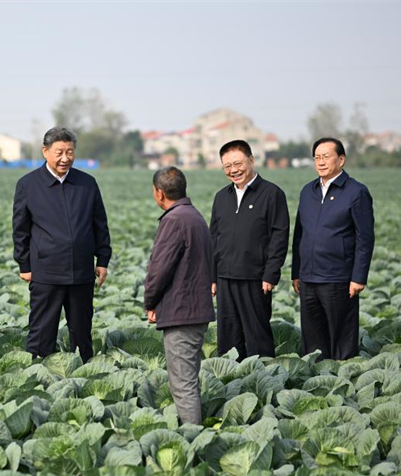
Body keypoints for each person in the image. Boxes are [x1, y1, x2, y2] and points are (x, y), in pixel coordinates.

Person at [12, 127, 111, 362]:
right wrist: (24, 265)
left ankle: (84, 371)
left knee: (82, 332)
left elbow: (99, 224)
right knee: (41, 333)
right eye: (59, 152)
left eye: (70, 152)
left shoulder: (87, 183)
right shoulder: (28, 184)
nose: (65, 158)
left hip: (81, 271)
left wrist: (102, 260)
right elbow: (20, 229)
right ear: (45, 151)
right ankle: (39, 373)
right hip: (46, 271)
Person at [292, 137, 374, 360]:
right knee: (312, 338)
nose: (321, 162)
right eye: (317, 157)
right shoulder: (308, 191)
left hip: (338, 277)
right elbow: (299, 234)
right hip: (308, 278)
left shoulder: (356, 192)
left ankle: (344, 373)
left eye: (326, 157)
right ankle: (315, 375)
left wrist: (358, 277)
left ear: (341, 159)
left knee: (341, 337)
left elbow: (365, 238)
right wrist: (297, 272)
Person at [145, 166, 215, 425]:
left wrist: (150, 302)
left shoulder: (174, 220)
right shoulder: (194, 215)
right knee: (189, 380)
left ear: (159, 193)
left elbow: (159, 269)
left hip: (181, 312)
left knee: (183, 384)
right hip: (196, 310)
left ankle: (192, 438)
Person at [209, 140, 289, 360]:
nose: (233, 170)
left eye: (238, 164)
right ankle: (231, 377)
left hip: (255, 278)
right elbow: (213, 238)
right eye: (227, 166)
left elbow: (279, 237)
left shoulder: (272, 194)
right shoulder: (221, 197)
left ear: (251, 160)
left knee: (257, 335)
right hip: (224, 277)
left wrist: (270, 273)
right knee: (228, 335)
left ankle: (263, 375)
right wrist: (212, 275)